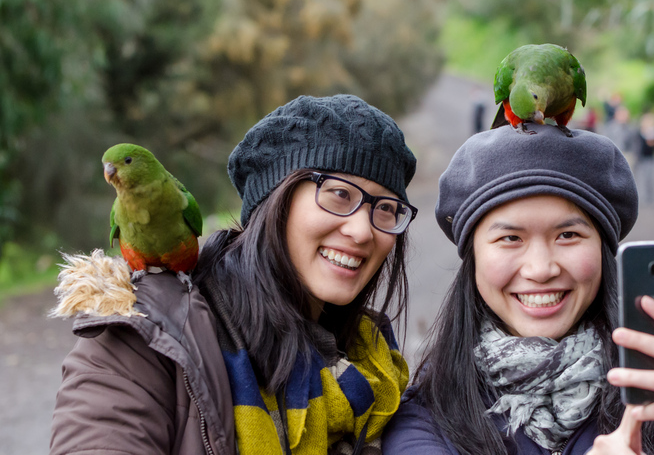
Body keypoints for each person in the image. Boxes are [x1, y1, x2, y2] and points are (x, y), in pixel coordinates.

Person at [50, 94, 418, 455]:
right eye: (339, 194)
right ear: (274, 200)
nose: (362, 231)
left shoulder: (378, 358)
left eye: (386, 208)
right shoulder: (146, 336)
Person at [382, 124, 654, 454]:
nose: (541, 269)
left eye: (568, 234)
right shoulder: (427, 418)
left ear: (602, 248)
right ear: (475, 259)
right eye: (511, 237)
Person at [633, 112, 654, 204]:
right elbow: (637, 145)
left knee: (650, 176)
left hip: (651, 157)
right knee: (642, 176)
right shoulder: (639, 132)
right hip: (642, 157)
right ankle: (642, 195)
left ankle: (651, 195)